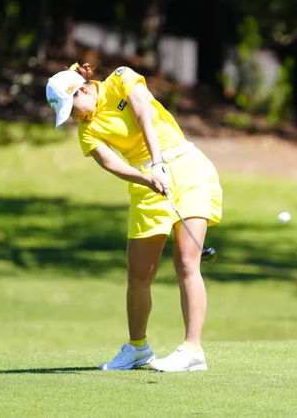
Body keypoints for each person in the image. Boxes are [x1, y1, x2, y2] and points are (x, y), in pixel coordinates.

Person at [45, 62, 222, 372]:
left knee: (186, 262)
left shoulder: (120, 78)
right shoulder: (88, 130)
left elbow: (143, 115)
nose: (75, 118)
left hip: (186, 167)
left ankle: (192, 350)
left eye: (72, 109)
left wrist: (157, 163)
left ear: (82, 90)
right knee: (139, 275)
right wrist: (147, 177)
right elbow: (110, 163)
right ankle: (138, 348)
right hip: (147, 183)